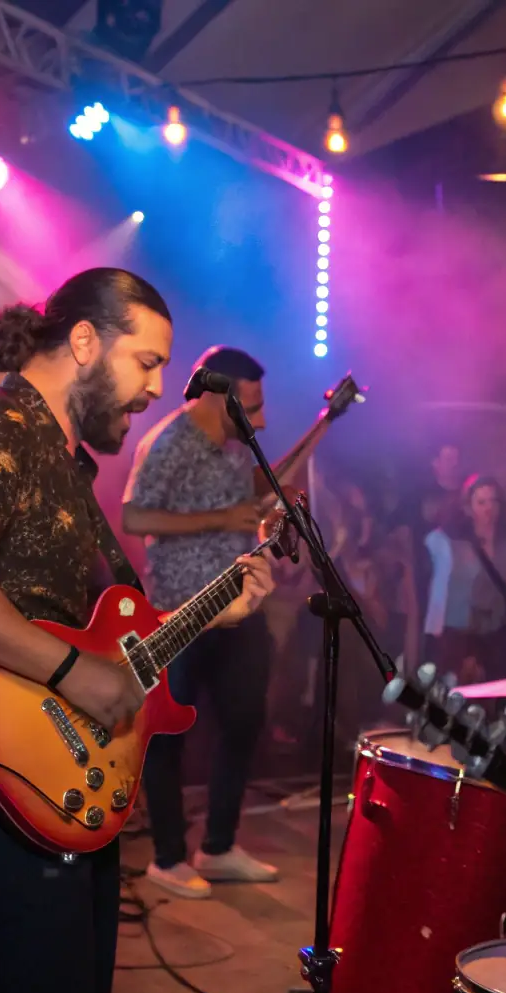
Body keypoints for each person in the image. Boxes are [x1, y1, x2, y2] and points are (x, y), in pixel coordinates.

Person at [0, 269, 274, 993]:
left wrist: (213, 611)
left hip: (50, 769)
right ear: (82, 342)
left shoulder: (65, 464)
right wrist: (75, 674)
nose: (159, 387)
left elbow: (103, 642)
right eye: (148, 362)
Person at [122, 345, 323, 899]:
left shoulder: (237, 449)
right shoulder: (168, 441)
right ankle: (166, 857)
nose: (258, 418)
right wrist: (217, 518)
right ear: (217, 396)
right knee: (169, 735)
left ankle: (218, 846)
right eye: (249, 405)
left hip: (239, 610)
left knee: (242, 724)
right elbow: (133, 515)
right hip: (179, 615)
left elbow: (253, 507)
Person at [422, 475, 506, 684]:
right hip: (460, 637)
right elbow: (442, 593)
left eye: (493, 501)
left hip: (498, 639)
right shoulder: (454, 545)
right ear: (468, 507)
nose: (489, 508)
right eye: (481, 502)